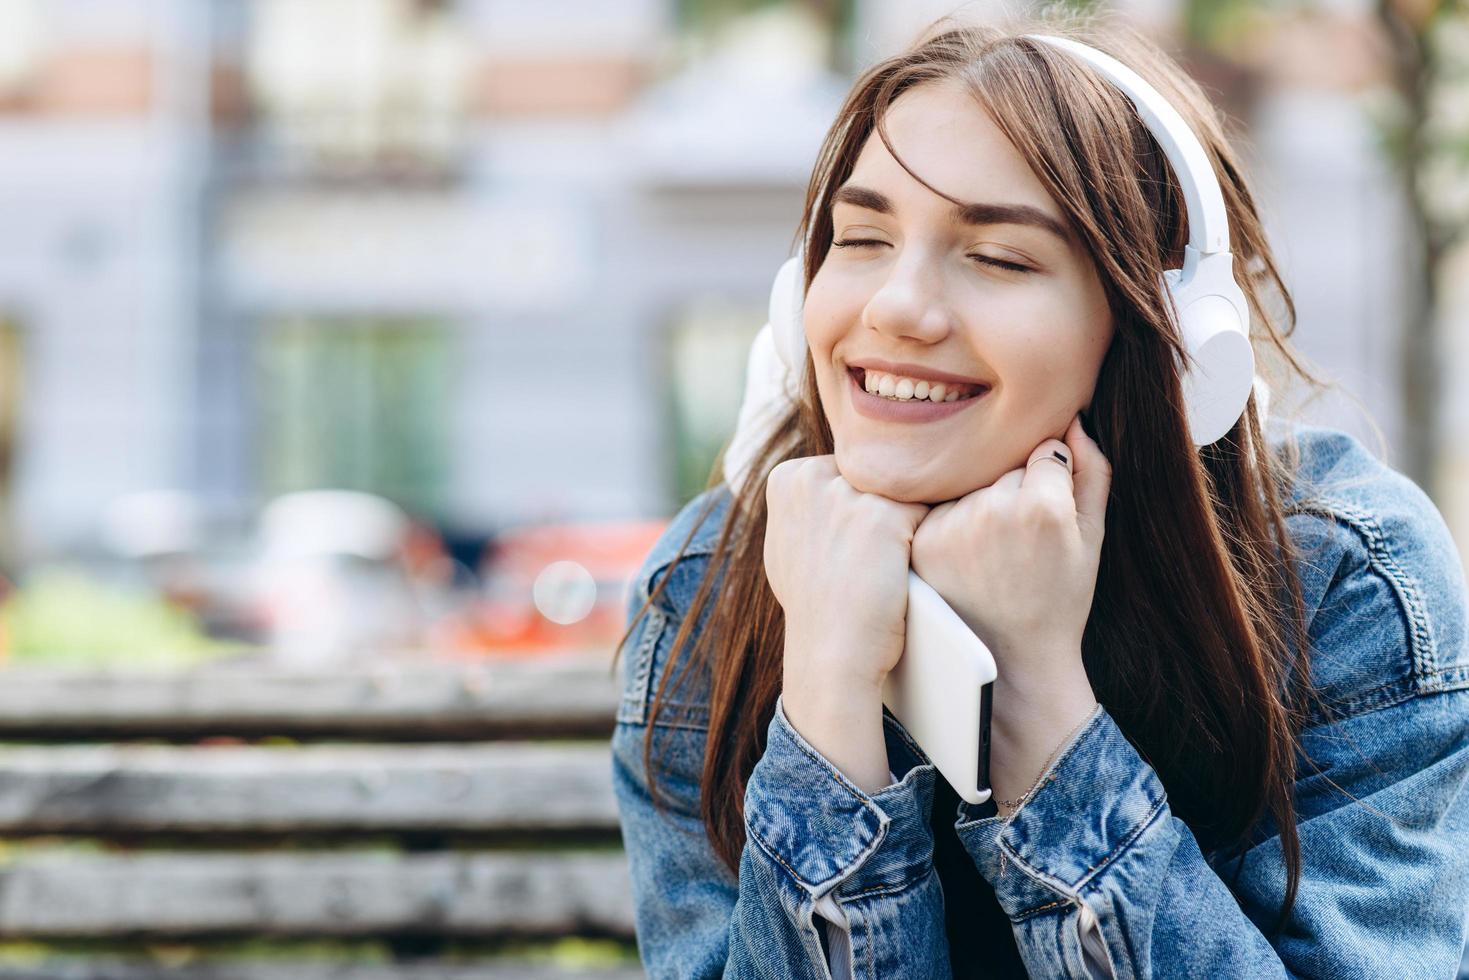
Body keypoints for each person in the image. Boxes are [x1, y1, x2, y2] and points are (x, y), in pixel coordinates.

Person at [610, 14, 1469, 979]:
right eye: (861, 238)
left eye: (1000, 258)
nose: (895, 306)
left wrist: (1042, 705)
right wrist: (824, 704)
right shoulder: (707, 588)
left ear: (1168, 339)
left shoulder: (1342, 581)